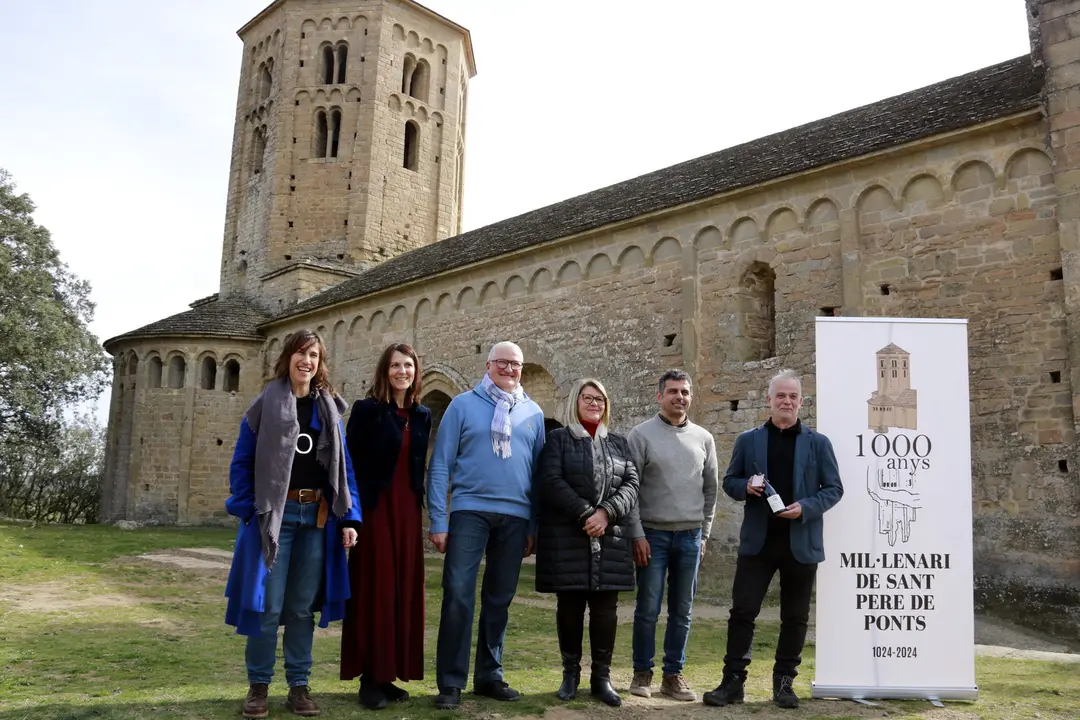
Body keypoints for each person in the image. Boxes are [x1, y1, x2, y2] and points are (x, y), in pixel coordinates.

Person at [224, 329, 362, 719]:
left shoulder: (329, 410)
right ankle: (259, 687)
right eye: (301, 353)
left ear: (320, 363)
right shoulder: (263, 406)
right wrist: (251, 508)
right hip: (276, 518)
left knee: (302, 608)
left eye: (314, 355)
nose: (307, 361)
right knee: (268, 606)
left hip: (316, 519)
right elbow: (241, 464)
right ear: (287, 358)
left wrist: (349, 517)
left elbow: (344, 469)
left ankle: (299, 686)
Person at [703, 369, 843, 709]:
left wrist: (806, 507)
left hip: (801, 543)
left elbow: (834, 489)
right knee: (742, 613)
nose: (787, 401)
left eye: (793, 396)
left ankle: (784, 684)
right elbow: (730, 482)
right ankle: (733, 682)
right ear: (769, 400)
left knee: (795, 617)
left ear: (801, 402)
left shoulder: (818, 442)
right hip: (758, 544)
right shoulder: (748, 440)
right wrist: (745, 487)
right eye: (780, 395)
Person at [427, 341, 547, 709]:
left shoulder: (534, 412)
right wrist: (438, 518)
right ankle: (451, 683)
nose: (510, 370)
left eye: (516, 365)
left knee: (499, 598)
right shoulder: (463, 405)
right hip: (469, 510)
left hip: (515, 516)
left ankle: (489, 675)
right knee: (458, 595)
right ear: (488, 364)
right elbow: (441, 464)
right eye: (503, 363)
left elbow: (539, 473)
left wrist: (534, 526)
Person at [535, 378, 640, 707]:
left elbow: (632, 484)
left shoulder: (620, 444)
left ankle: (601, 677)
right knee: (570, 607)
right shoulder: (559, 440)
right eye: (588, 398)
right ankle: (570, 675)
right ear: (575, 402)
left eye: (600, 399)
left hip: (611, 538)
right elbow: (550, 480)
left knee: (606, 611)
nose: (595, 404)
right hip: (569, 537)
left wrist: (606, 513)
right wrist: (585, 515)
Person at [340, 343, 432, 709]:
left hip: (408, 510)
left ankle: (390, 672)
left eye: (408, 365)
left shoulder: (422, 414)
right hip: (375, 510)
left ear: (415, 371)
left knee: (403, 589)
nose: (402, 372)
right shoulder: (366, 411)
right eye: (395, 365)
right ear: (384, 371)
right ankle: (369, 678)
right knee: (374, 590)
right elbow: (349, 467)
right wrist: (351, 516)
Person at [627, 369, 717, 703]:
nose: (680, 397)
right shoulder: (641, 435)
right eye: (673, 391)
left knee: (683, 610)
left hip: (691, 537)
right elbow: (631, 490)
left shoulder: (704, 438)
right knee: (647, 608)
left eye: (685, 392)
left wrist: (704, 534)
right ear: (660, 396)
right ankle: (642, 672)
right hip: (653, 535)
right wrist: (636, 534)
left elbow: (711, 490)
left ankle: (672, 675)